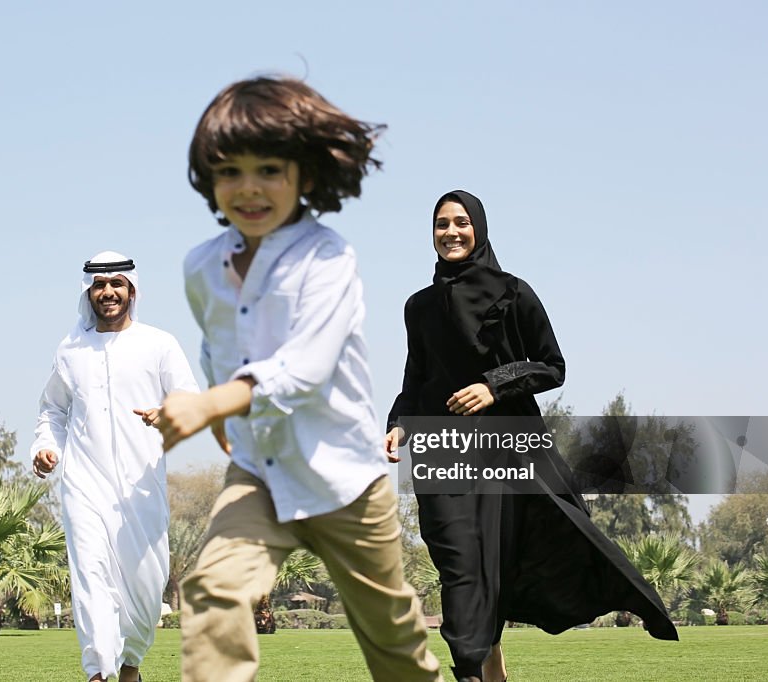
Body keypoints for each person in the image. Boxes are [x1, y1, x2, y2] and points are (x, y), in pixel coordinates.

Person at [156, 76, 442, 682]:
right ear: (209, 178)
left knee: (395, 647)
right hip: (259, 474)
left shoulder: (328, 258)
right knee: (211, 590)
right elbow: (218, 344)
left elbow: (305, 369)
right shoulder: (201, 266)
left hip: (345, 480)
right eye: (231, 171)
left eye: (269, 169)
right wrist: (227, 416)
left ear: (304, 176)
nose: (249, 187)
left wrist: (213, 403)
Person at [385, 191, 678, 682]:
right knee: (458, 561)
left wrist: (492, 386)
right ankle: (476, 668)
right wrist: (397, 423)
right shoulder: (419, 306)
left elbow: (552, 366)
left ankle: (482, 668)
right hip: (443, 450)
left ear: (479, 227)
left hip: (507, 449)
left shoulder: (514, 293)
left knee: (502, 559)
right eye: (441, 224)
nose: (451, 232)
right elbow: (416, 377)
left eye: (461, 222)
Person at [31, 251, 199, 682]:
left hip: (141, 489)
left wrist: (170, 412)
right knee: (91, 579)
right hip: (85, 484)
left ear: (132, 290)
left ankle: (130, 666)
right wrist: (47, 446)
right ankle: (99, 673)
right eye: (99, 285)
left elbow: (191, 401)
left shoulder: (158, 343)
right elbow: (52, 409)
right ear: (88, 292)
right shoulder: (70, 350)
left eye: (116, 284)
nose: (107, 292)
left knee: (146, 591)